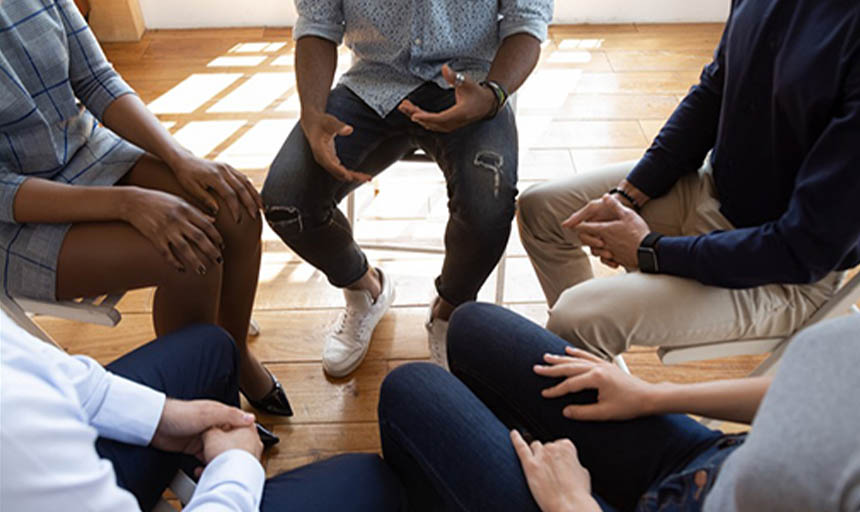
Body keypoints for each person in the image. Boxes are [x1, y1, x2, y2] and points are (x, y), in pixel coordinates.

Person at [516, 0, 860, 361]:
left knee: (576, 318)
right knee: (541, 211)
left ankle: (589, 378)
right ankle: (592, 371)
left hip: (782, 275)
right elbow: (715, 88)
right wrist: (626, 197)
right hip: (714, 188)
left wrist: (650, 250)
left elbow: (801, 250)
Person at [0, 0, 291, 414]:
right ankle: (201, 405)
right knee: (191, 253)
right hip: (13, 224)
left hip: (83, 150)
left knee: (235, 210)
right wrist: (127, 203)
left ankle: (235, 352)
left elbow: (96, 78)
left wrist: (179, 157)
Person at [261, 0, 554, 377]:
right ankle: (367, 290)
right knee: (287, 202)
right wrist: (312, 113)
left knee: (489, 206)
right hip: (372, 83)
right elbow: (317, 23)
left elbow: (527, 20)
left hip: (472, 84)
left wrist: (494, 94)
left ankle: (449, 311)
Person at [377, 302, 860, 511]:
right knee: (474, 328)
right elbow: (810, 392)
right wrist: (653, 393)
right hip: (708, 464)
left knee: (412, 389)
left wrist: (573, 503)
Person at [0, 310, 403, 511]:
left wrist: (158, 418)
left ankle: (220, 454)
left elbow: (32, 361)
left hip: (46, 453)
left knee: (213, 348)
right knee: (368, 481)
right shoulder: (18, 433)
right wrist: (235, 470)